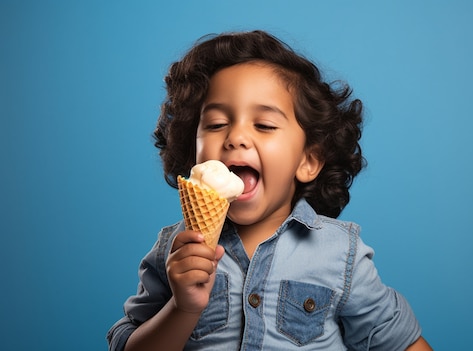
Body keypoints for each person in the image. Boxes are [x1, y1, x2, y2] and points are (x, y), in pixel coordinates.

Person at [107, 30, 432, 351]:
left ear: (308, 160)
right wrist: (182, 308)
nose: (235, 137)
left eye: (263, 125)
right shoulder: (173, 252)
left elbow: (402, 343)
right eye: (217, 124)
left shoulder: (341, 255)